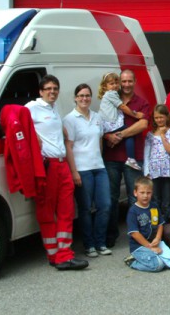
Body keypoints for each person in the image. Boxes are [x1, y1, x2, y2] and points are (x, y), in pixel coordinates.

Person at [25, 74, 88, 270]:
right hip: (48, 166)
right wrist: (32, 134)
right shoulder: (31, 107)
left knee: (66, 211)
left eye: (55, 88)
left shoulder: (54, 109)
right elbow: (12, 120)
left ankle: (63, 254)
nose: (52, 92)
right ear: (40, 91)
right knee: (46, 211)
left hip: (62, 165)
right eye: (48, 89)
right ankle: (56, 255)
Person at [103, 69, 150, 248]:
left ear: (134, 82)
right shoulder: (110, 98)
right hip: (112, 157)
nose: (126, 85)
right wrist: (108, 136)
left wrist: (120, 134)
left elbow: (143, 124)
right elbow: (102, 121)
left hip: (133, 158)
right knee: (111, 198)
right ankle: (111, 236)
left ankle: (137, 236)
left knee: (135, 198)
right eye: (123, 81)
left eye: (130, 81)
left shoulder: (142, 102)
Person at [63, 83, 111, 258]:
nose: (84, 98)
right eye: (81, 95)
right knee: (85, 209)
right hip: (82, 170)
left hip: (99, 167)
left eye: (87, 95)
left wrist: (101, 160)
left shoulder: (97, 117)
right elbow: (69, 147)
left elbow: (99, 142)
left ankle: (100, 242)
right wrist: (74, 171)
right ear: (75, 98)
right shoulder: (70, 119)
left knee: (105, 205)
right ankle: (89, 245)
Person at [124, 177, 170, 272]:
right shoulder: (133, 211)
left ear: (152, 193)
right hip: (139, 246)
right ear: (135, 193)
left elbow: (160, 224)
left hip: (154, 243)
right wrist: (150, 247)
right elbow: (135, 233)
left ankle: (153, 257)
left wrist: (158, 238)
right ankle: (132, 261)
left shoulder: (154, 206)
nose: (145, 196)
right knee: (158, 266)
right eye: (142, 193)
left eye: (148, 193)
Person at [97, 72, 145, 171]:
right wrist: (135, 115)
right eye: (111, 84)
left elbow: (144, 125)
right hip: (111, 124)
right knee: (129, 132)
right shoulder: (111, 94)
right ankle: (131, 158)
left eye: (116, 83)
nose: (114, 86)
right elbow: (122, 107)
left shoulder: (108, 95)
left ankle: (101, 158)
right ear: (105, 86)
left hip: (108, 125)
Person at [144, 104, 170, 218]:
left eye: (161, 117)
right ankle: (155, 226)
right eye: (156, 117)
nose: (159, 120)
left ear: (167, 117)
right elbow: (146, 154)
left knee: (167, 201)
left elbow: (169, 149)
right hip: (154, 172)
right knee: (155, 201)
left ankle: (167, 227)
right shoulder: (150, 135)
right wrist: (146, 171)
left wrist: (163, 135)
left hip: (168, 171)